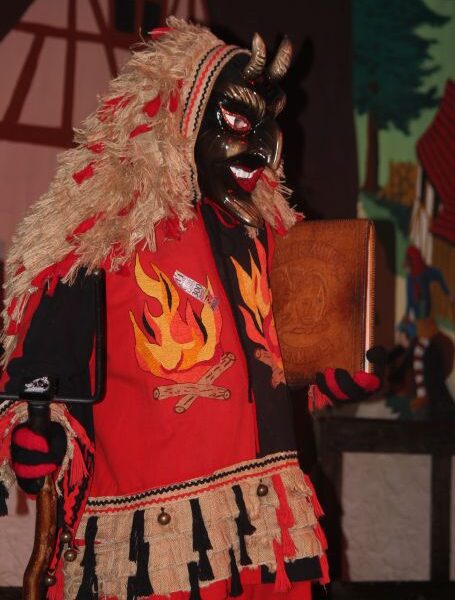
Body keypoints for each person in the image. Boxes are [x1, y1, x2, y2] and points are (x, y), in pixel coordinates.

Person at [0, 19, 380, 600]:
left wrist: (329, 375)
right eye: (236, 121)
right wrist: (39, 433)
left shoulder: (277, 238)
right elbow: (42, 376)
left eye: (267, 127)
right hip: (154, 541)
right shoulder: (102, 235)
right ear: (179, 115)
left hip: (269, 532)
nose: (263, 147)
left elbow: (284, 369)